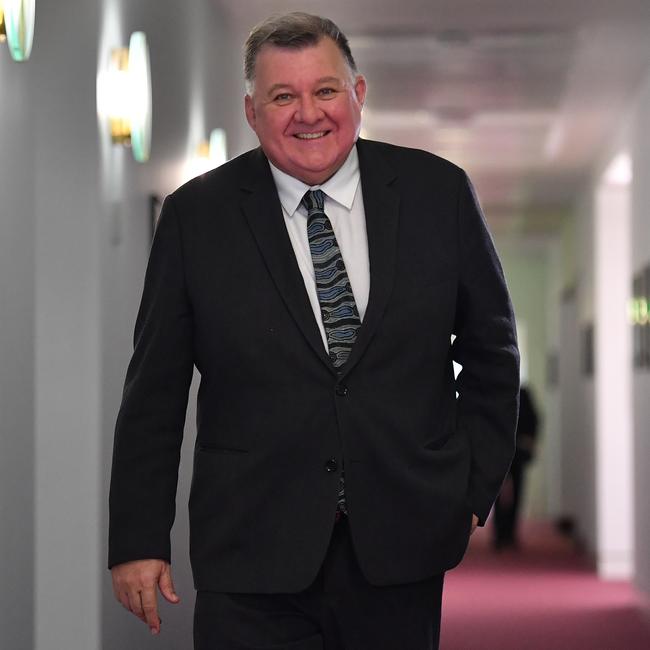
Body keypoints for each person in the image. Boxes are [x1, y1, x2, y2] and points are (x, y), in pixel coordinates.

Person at [108, 12, 520, 650]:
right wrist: (138, 539)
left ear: (358, 95)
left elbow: (493, 354)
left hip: (401, 543)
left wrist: (469, 488)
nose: (308, 113)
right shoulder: (197, 217)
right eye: (283, 96)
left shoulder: (438, 194)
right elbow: (154, 391)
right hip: (250, 551)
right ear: (252, 111)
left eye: (325, 90)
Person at [493, 385, 539, 550]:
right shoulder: (496, 391)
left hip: (518, 452)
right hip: (499, 452)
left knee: (517, 493)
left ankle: (510, 533)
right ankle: (499, 535)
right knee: (496, 494)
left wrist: (530, 441)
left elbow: (533, 420)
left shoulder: (524, 393)